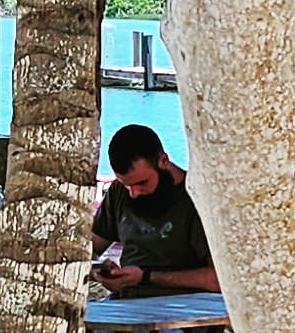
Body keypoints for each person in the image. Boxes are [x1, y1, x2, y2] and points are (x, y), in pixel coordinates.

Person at [91, 126, 219, 294]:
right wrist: (99, 272)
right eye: (127, 185)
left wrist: (146, 277)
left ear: (163, 161)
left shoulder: (197, 198)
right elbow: (88, 249)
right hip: (127, 305)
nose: (134, 193)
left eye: (141, 183)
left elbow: (218, 279)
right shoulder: (119, 192)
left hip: (190, 308)